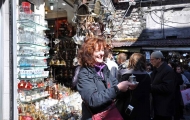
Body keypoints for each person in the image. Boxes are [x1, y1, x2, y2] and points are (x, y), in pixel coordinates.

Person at [76, 38, 137, 120]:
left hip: (109, 114)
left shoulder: (105, 69)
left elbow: (116, 91)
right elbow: (92, 100)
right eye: (97, 51)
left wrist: (127, 88)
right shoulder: (84, 73)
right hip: (94, 117)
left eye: (102, 50)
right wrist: (117, 88)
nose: (101, 53)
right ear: (89, 53)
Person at [116, 53, 151, 120]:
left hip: (127, 106)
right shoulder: (147, 76)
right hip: (143, 108)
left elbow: (120, 93)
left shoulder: (124, 75)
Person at [150, 51, 176, 120]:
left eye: (152, 59)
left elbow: (167, 87)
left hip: (164, 106)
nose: (151, 61)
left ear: (159, 59)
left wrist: (151, 87)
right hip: (157, 106)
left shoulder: (167, 70)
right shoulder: (156, 69)